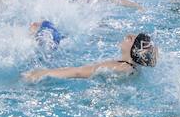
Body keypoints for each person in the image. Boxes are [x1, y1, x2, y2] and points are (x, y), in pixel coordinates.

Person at [22, 33, 157, 83]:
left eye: (130, 38)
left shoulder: (116, 66)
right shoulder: (134, 68)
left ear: (134, 49)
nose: (126, 35)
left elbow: (78, 72)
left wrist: (45, 73)